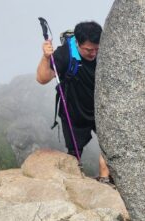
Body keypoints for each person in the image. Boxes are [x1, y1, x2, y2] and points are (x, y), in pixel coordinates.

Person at [36, 21, 111, 183]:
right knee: (74, 152)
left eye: (97, 49)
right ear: (77, 43)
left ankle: (106, 179)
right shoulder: (65, 54)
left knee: (112, 144)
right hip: (73, 110)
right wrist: (46, 57)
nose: (93, 54)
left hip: (102, 109)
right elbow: (42, 78)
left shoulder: (106, 50)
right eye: (89, 50)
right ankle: (76, 182)